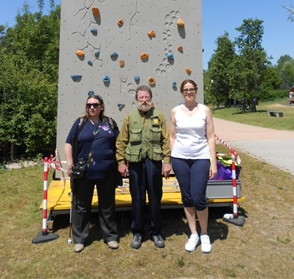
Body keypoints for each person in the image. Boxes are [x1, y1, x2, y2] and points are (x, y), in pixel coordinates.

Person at [116, 85, 171, 249]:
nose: (144, 100)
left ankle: (156, 232)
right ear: (136, 100)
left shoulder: (159, 115)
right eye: (141, 97)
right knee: (137, 198)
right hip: (135, 163)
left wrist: (167, 161)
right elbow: (121, 141)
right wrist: (120, 162)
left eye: (146, 97)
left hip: (153, 161)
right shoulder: (130, 116)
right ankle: (138, 232)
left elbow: (166, 139)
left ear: (151, 98)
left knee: (155, 197)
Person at [65, 94, 119, 253]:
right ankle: (80, 238)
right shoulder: (80, 123)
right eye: (89, 105)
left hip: (107, 171)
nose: (92, 108)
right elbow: (68, 142)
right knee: (81, 206)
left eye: (95, 105)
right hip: (83, 173)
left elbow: (119, 143)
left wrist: (122, 162)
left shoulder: (110, 123)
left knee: (107, 206)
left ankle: (110, 237)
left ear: (102, 107)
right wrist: (69, 163)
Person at [169, 80, 217, 254]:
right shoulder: (175, 111)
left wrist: (213, 162)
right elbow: (172, 136)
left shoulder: (205, 110)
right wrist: (173, 156)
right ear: (182, 92)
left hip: (201, 158)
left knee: (199, 198)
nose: (189, 92)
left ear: (196, 91)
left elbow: (210, 136)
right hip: (180, 159)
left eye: (191, 89)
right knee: (187, 198)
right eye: (186, 90)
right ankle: (194, 234)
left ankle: (204, 234)